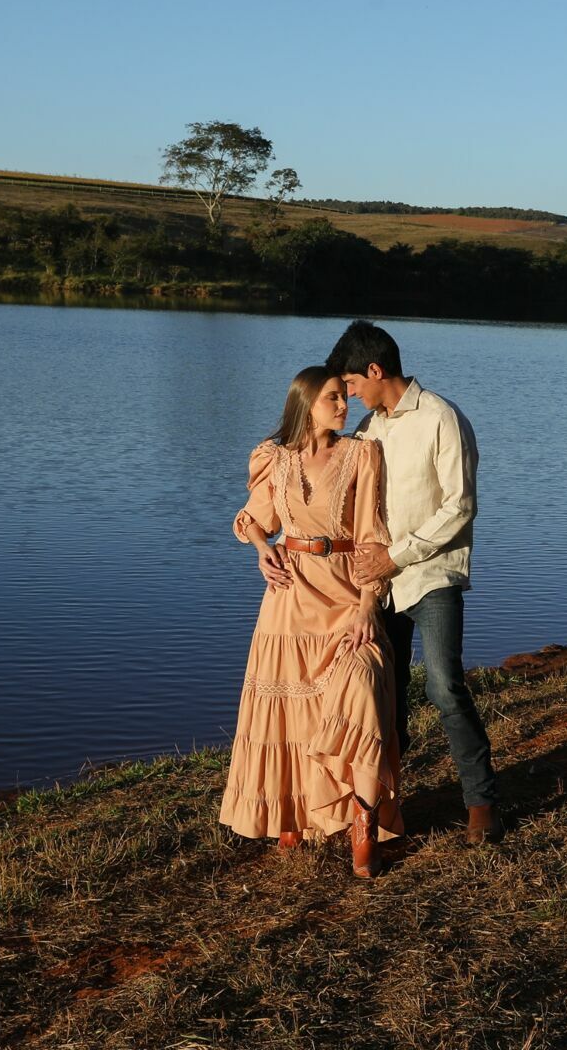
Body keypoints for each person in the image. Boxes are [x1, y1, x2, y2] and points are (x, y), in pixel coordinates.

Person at [219, 365, 403, 877]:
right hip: (289, 598)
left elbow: (372, 538)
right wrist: (262, 550)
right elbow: (253, 519)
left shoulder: (361, 456)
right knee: (288, 713)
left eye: (345, 398)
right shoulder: (273, 460)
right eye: (333, 399)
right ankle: (290, 813)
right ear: (305, 403)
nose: (345, 407)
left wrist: (369, 605)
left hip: (346, 596)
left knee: (362, 687)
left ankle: (364, 825)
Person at [327, 320, 501, 844]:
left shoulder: (443, 419)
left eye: (353, 384)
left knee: (446, 689)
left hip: (431, 578)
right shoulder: (367, 431)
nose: (350, 396)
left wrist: (396, 557)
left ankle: (482, 804)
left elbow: (460, 507)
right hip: (377, 588)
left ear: (376, 371)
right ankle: (387, 810)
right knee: (384, 697)